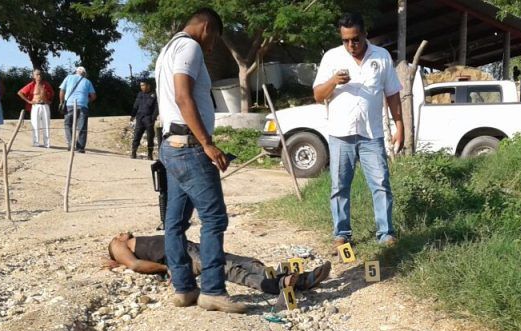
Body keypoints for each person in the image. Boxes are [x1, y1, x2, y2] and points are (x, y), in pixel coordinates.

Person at [156, 8, 245, 314]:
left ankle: (183, 288)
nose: (211, 47)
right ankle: (213, 290)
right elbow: (183, 97)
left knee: (175, 223)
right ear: (206, 27)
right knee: (214, 218)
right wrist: (207, 143)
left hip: (171, 144)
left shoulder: (167, 49)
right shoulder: (189, 47)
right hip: (189, 146)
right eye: (214, 39)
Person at [313, 12, 404, 248]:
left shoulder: (381, 57)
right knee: (339, 186)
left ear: (365, 34)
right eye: (345, 40)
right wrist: (333, 81)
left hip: (371, 134)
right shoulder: (332, 58)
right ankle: (342, 233)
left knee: (381, 184)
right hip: (340, 134)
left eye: (355, 39)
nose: (351, 45)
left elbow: (392, 93)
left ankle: (386, 234)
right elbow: (317, 95)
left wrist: (400, 126)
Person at [104, 232, 331, 297]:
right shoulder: (117, 244)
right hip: (182, 257)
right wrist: (171, 269)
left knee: (243, 262)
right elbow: (134, 265)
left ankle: (298, 279)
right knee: (231, 270)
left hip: (191, 247)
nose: (125, 232)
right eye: (122, 234)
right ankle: (277, 285)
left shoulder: (128, 243)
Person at [59, 66, 96, 153]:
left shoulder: (68, 77)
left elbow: (62, 91)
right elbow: (93, 96)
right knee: (82, 127)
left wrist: (61, 102)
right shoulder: (87, 81)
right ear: (84, 74)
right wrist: (87, 100)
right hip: (83, 106)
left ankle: (71, 144)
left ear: (76, 72)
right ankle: (80, 148)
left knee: (68, 124)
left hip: (69, 105)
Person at [18, 69, 54, 148]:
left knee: (46, 124)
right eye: (37, 74)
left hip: (45, 105)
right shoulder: (31, 85)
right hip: (35, 106)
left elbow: (52, 93)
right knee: (35, 124)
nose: (39, 76)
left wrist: (49, 100)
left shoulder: (46, 84)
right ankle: (36, 143)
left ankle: (47, 143)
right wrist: (29, 101)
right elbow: (20, 93)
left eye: (40, 74)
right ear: (34, 76)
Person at [130, 81, 158, 159]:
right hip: (140, 118)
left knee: (150, 137)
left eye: (143, 85)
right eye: (141, 85)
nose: (142, 87)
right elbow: (136, 105)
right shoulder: (140, 94)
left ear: (148, 86)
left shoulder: (154, 95)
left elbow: (156, 108)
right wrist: (132, 115)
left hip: (148, 118)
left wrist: (153, 117)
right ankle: (133, 153)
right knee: (137, 135)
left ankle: (150, 154)